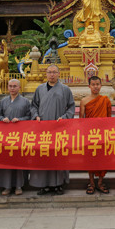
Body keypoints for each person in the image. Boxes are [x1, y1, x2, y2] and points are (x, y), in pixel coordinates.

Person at [30, 64, 75, 195]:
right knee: (44, 155)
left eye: (54, 72)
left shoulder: (65, 89)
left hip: (59, 128)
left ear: (59, 74)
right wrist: (36, 116)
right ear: (46, 74)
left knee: (59, 156)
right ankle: (43, 184)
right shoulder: (39, 89)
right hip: (43, 129)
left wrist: (65, 118)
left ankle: (58, 184)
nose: (52, 74)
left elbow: (71, 107)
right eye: (49, 72)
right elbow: (33, 106)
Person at [0, 79, 31, 195]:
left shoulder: (25, 101)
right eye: (10, 86)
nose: (12, 88)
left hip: (20, 136)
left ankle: (19, 186)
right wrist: (2, 119)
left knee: (19, 160)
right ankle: (7, 186)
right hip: (6, 136)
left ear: (19, 87)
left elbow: (30, 116)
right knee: (6, 160)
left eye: (15, 86)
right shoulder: (3, 101)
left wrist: (20, 119)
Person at [80, 76, 112, 194]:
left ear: (101, 85)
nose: (95, 86)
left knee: (103, 159)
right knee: (90, 159)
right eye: (93, 84)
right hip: (90, 135)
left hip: (103, 134)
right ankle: (92, 182)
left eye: (98, 84)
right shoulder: (84, 101)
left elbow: (109, 119)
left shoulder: (105, 100)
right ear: (89, 86)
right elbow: (81, 120)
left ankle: (100, 182)